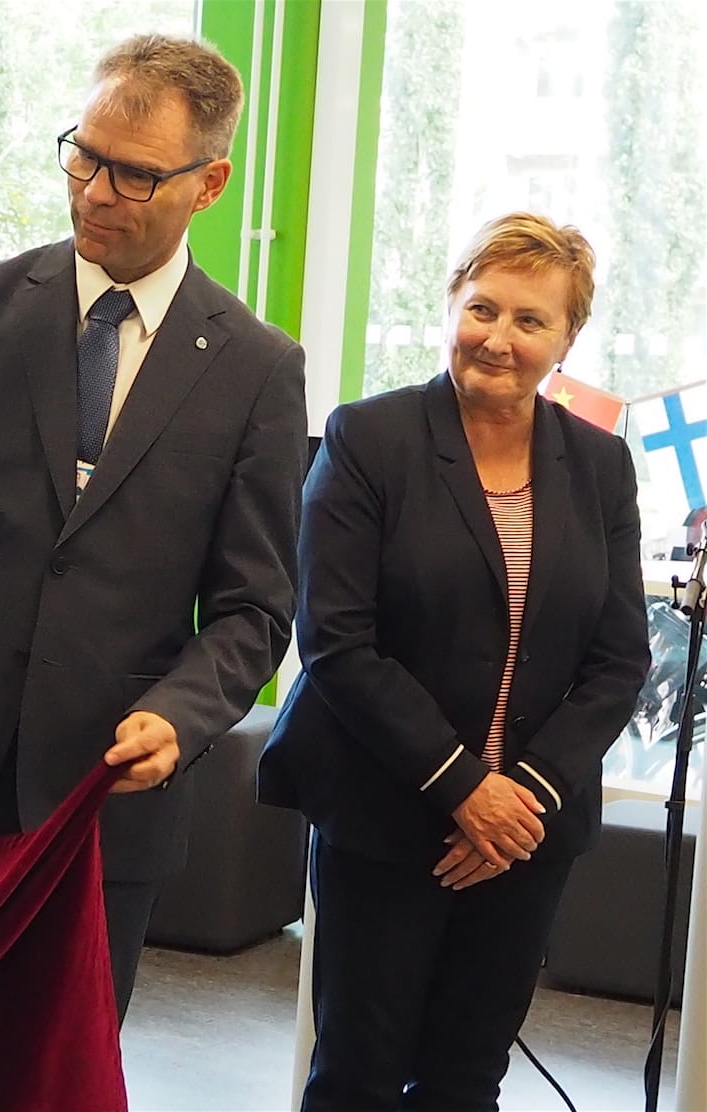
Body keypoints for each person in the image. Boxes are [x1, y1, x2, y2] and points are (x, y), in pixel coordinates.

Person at [0, 32, 307, 1021]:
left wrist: (178, 714)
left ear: (210, 183)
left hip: (103, 807)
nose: (93, 190)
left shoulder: (257, 367)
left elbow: (254, 608)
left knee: (58, 1074)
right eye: (81, 154)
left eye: (133, 175)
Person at [259, 212, 650, 1110]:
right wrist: (464, 787)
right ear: (450, 308)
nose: (499, 338)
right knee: (356, 1072)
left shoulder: (600, 465)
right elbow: (336, 639)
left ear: (568, 337)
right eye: (483, 309)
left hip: (527, 832)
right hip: (386, 813)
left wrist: (520, 799)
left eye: (529, 320)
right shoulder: (369, 439)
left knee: (468, 1077)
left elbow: (618, 658)